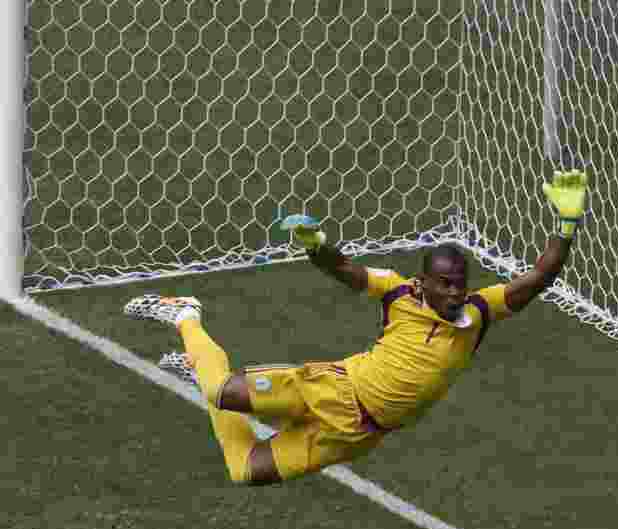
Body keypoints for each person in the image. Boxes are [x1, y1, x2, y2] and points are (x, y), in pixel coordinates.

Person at [124, 170, 590, 486]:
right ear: (423, 281)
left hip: (357, 432)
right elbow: (346, 270)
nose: (455, 293)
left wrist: (567, 222)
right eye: (445, 285)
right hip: (331, 389)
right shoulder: (399, 293)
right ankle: (185, 314)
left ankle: (195, 369)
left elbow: (538, 278)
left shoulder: (478, 313)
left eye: (460, 285)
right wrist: (316, 245)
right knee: (222, 392)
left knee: (245, 469)